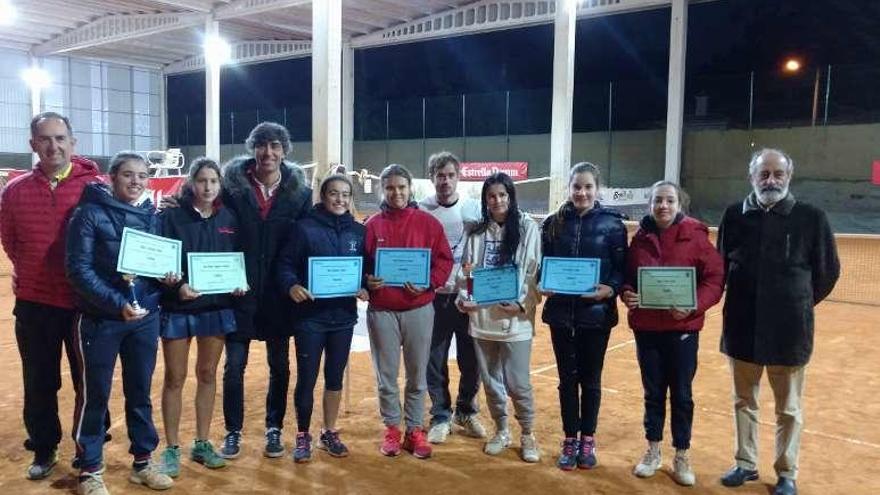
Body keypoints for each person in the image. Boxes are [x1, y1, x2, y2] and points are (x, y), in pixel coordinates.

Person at [717, 148, 840, 495]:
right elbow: (721, 266)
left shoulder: (812, 217)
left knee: (788, 408)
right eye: (764, 174)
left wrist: (795, 302)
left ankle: (787, 472)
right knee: (744, 401)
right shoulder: (733, 215)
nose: (770, 180)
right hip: (741, 325)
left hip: (790, 330)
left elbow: (827, 272)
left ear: (789, 176)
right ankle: (745, 463)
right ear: (751, 177)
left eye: (778, 174)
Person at [0, 111, 108, 480]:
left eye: (60, 138)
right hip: (34, 303)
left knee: (89, 379)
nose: (53, 145)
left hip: (84, 303)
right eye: (45, 139)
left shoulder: (95, 187)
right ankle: (44, 447)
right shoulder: (15, 190)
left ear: (72, 143)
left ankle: (89, 445)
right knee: (40, 379)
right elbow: (10, 240)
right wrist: (32, 272)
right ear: (33, 145)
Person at [66, 152, 177, 495]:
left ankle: (142, 462)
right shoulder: (87, 214)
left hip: (144, 319)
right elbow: (78, 270)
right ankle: (90, 470)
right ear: (112, 177)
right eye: (128, 175)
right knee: (95, 395)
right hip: (101, 319)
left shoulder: (152, 217)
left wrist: (171, 279)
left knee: (139, 392)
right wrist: (118, 305)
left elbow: (159, 267)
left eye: (142, 176)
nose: (136, 181)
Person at [217, 122, 312, 459]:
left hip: (279, 296)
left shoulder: (300, 193)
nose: (268, 153)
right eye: (261, 145)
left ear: (284, 150)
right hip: (238, 293)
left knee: (280, 366)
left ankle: (274, 429)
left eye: (275, 146)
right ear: (252, 149)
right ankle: (233, 431)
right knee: (233, 368)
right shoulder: (231, 187)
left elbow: (308, 239)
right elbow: (205, 211)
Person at [620, 181, 724, 486]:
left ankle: (681, 453)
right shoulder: (639, 239)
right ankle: (653, 450)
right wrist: (627, 293)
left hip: (682, 330)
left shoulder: (697, 236)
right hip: (647, 330)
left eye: (669, 200)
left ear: (679, 204)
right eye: (657, 201)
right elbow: (628, 278)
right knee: (653, 394)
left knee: (681, 394)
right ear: (650, 205)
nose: (663, 206)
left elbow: (715, 279)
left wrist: (693, 307)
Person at [157, 157, 246, 476]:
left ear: (220, 185)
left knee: (208, 374)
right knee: (175, 378)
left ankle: (202, 442)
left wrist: (238, 283)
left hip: (217, 307)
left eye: (213, 181)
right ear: (191, 183)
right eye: (202, 181)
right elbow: (160, 263)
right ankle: (170, 448)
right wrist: (178, 287)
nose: (208, 187)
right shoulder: (171, 216)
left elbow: (236, 262)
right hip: (179, 308)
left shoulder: (229, 218)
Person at [540, 162, 627, 471]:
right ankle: (569, 439)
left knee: (590, 380)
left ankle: (587, 438)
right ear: (570, 188)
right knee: (566, 381)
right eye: (577, 186)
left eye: (588, 186)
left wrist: (610, 289)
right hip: (561, 315)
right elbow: (542, 265)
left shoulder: (613, 225)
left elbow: (621, 269)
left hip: (596, 315)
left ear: (597, 189)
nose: (582, 192)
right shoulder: (552, 223)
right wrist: (544, 282)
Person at [277, 174, 368, 463]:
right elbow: (285, 264)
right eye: (333, 193)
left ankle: (329, 431)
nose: (339, 199)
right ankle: (303, 434)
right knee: (307, 379)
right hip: (310, 319)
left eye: (345, 194)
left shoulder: (358, 231)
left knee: (334, 378)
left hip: (343, 318)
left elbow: (365, 269)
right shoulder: (304, 228)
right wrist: (291, 285)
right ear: (323, 196)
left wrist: (365, 284)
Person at [364, 164, 453, 460]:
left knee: (417, 375)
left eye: (401, 187)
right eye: (390, 187)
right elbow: (360, 264)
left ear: (410, 188)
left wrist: (429, 282)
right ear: (383, 190)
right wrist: (366, 280)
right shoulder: (372, 225)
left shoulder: (428, 224)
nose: (396, 192)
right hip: (382, 311)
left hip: (419, 309)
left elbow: (444, 260)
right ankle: (392, 427)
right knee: (386, 375)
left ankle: (415, 429)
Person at [455, 172, 542, 463]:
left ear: (511, 196)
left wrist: (522, 305)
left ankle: (528, 434)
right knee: (491, 382)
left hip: (516, 320)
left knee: (517, 383)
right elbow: (465, 273)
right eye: (491, 196)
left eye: (502, 195)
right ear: (485, 200)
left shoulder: (528, 228)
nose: (497, 200)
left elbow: (533, 272)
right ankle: (502, 430)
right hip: (482, 320)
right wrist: (463, 298)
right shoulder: (476, 232)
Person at [418, 152, 486, 444]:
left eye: (450, 175)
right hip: (433, 297)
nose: (445, 181)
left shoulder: (473, 209)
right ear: (432, 178)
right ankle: (441, 414)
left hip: (467, 298)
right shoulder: (421, 211)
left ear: (458, 177)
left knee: (472, 360)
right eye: (439, 175)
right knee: (434, 360)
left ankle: (467, 410)